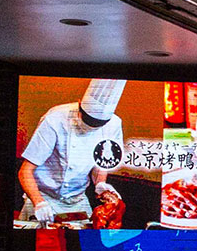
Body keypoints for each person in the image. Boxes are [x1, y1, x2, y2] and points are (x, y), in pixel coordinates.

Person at [18, 79, 125, 226]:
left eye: (98, 125)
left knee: (86, 240)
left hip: (77, 199)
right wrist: (38, 202)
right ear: (80, 104)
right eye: (88, 121)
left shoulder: (113, 125)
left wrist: (100, 183)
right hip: (42, 195)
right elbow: (25, 171)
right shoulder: (55, 119)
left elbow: (101, 163)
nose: (91, 128)